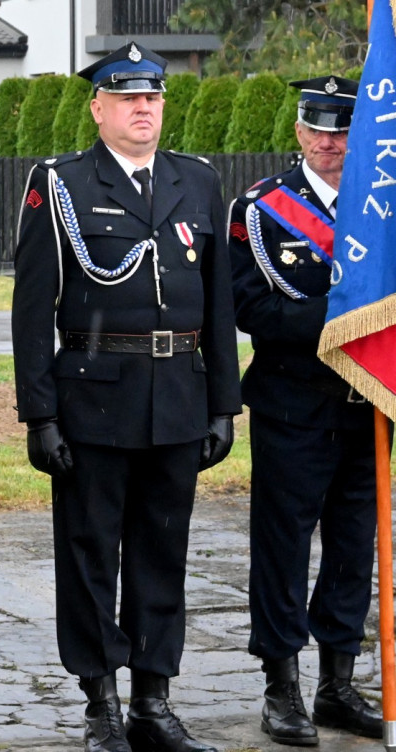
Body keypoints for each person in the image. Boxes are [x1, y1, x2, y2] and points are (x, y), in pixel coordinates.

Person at [10, 41, 240, 752]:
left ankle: (152, 699)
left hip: (178, 395)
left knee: (161, 554)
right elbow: (31, 311)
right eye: (129, 98)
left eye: (154, 98)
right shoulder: (64, 185)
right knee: (90, 555)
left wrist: (224, 404)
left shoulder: (196, 182)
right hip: (94, 400)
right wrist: (40, 414)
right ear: (99, 107)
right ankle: (101, 701)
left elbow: (220, 302)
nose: (144, 110)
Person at [229, 75, 385, 746]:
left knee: (354, 550)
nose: (330, 142)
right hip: (294, 406)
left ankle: (337, 684)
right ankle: (281, 686)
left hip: (369, 407)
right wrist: (341, 319)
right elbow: (250, 307)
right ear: (298, 133)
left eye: (343, 130)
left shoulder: (385, 214)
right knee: (283, 550)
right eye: (318, 129)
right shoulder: (262, 209)